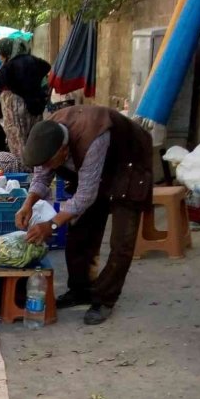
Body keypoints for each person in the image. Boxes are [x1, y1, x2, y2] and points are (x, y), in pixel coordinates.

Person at [16, 106, 153, 325]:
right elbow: (42, 178)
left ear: (63, 150)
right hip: (94, 169)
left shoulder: (93, 139)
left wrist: (50, 225)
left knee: (122, 241)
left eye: (50, 162)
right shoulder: (48, 136)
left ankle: (104, 299)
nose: (47, 167)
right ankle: (80, 290)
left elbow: (85, 196)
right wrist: (27, 205)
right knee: (80, 232)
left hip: (129, 162)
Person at [0, 39, 50, 163]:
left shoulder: (12, 65)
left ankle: (24, 169)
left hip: (16, 106)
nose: (0, 58)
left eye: (1, 54)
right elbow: (46, 67)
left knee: (18, 138)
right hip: (34, 105)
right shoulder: (32, 60)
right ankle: (38, 168)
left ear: (7, 53)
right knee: (33, 136)